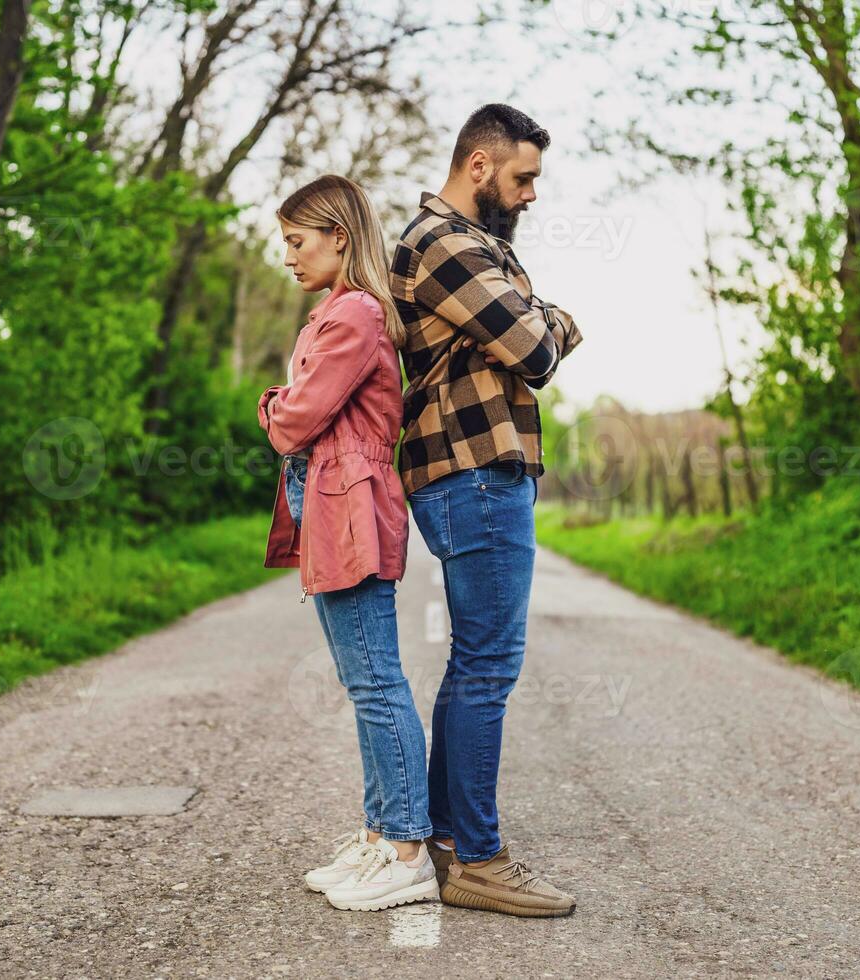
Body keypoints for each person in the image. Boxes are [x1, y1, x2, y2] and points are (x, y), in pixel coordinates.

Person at [390, 104, 584, 917]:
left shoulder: (478, 250)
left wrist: (523, 321)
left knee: (475, 662)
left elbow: (522, 338)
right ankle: (478, 859)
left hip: (473, 471)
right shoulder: (445, 243)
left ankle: (445, 839)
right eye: (523, 177)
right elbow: (539, 349)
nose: (532, 193)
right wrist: (551, 319)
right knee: (487, 666)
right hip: (474, 470)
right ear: (479, 165)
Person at [257, 174, 439, 912]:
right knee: (362, 682)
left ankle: (406, 850)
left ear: (340, 234)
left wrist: (270, 405)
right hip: (331, 499)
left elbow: (295, 422)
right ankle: (378, 835)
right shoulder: (336, 313)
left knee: (375, 681)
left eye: (298, 242)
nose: (290, 258)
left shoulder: (355, 314)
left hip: (349, 504)